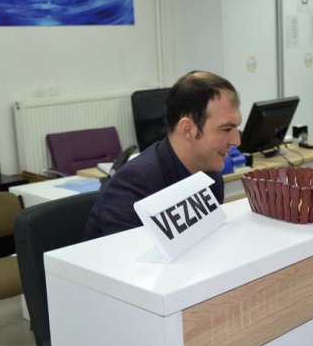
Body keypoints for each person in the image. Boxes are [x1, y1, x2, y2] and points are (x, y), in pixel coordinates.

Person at [83, 71, 242, 240]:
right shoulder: (131, 186)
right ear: (188, 129)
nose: (237, 141)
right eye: (226, 129)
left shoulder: (211, 180)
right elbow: (127, 262)